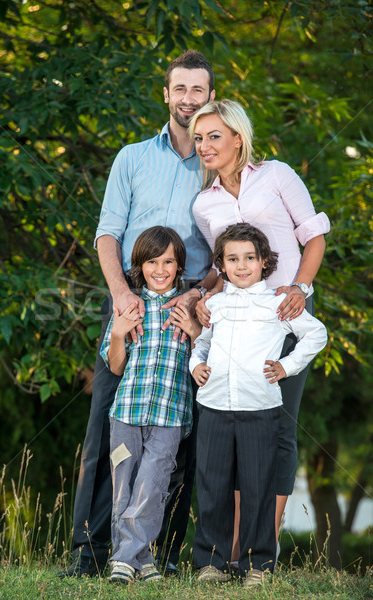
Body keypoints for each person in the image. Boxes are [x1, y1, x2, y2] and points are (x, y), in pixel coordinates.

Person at [59, 50, 217, 578]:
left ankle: (162, 554)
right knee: (109, 420)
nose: (189, 99)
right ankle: (89, 552)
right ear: (166, 94)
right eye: (181, 89)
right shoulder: (132, 157)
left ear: (210, 98)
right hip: (129, 296)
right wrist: (120, 294)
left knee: (181, 434)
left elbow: (232, 244)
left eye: (199, 91)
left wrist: (198, 297)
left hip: (191, 304)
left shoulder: (219, 161)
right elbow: (107, 233)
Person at [188, 99, 330, 555]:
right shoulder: (203, 203)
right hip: (234, 327)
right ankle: (230, 544)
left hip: (284, 316)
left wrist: (299, 289)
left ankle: (258, 544)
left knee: (280, 428)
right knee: (233, 425)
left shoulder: (278, 175)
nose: (205, 145)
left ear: (237, 137)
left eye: (213, 136)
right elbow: (220, 267)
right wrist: (204, 295)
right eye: (198, 138)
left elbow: (314, 237)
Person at [188, 223, 327, 585]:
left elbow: (316, 334)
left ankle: (257, 566)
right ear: (222, 264)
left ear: (264, 262)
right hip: (214, 405)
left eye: (250, 257)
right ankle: (211, 564)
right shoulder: (213, 305)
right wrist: (196, 364)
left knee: (258, 488)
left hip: (260, 408)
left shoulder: (278, 303)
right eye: (233, 259)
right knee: (213, 486)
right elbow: (202, 344)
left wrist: (287, 366)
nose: (242, 265)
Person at [101, 226, 201, 584]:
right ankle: (140, 561)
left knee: (153, 486)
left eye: (169, 262)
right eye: (152, 262)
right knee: (124, 489)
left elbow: (204, 362)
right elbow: (115, 366)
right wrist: (117, 332)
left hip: (170, 416)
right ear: (139, 265)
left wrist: (195, 333)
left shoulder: (189, 310)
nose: (160, 270)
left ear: (179, 266)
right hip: (126, 413)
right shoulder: (130, 308)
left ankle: (123, 559)